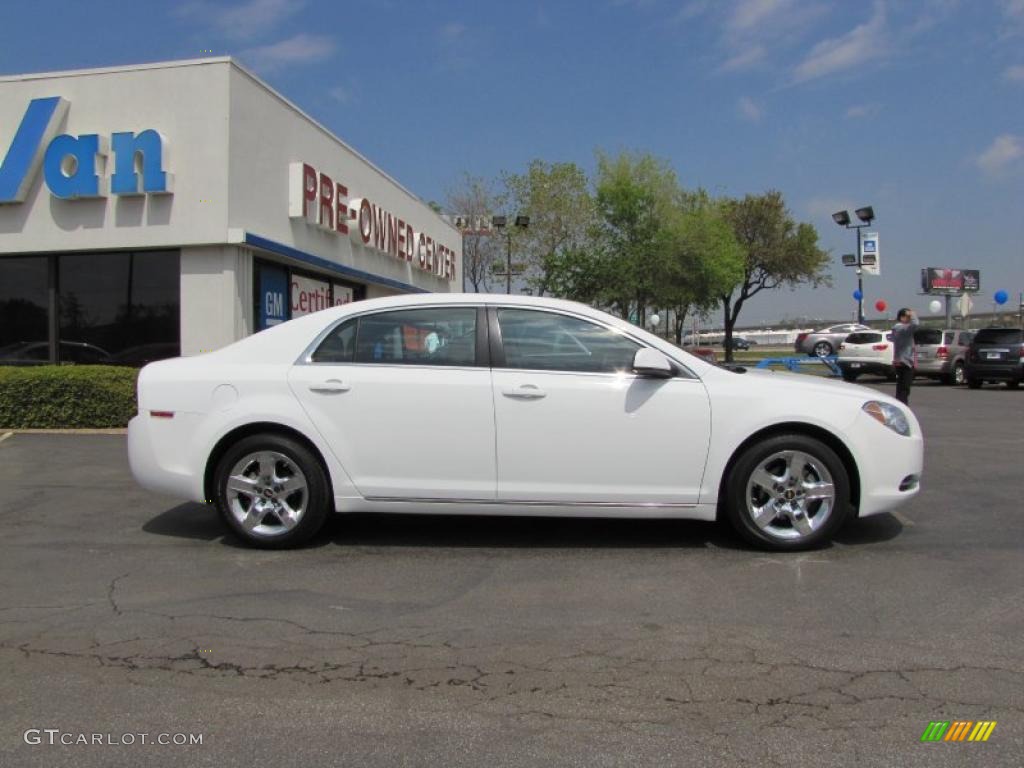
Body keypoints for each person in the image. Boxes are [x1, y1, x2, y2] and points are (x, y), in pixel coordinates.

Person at [891, 308, 919, 405]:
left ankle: (901, 405)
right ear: (902, 318)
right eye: (908, 317)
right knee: (904, 388)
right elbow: (915, 324)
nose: (909, 319)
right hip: (905, 363)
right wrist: (913, 314)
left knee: (901, 388)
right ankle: (903, 407)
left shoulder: (898, 329)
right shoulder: (901, 328)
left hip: (901, 361)